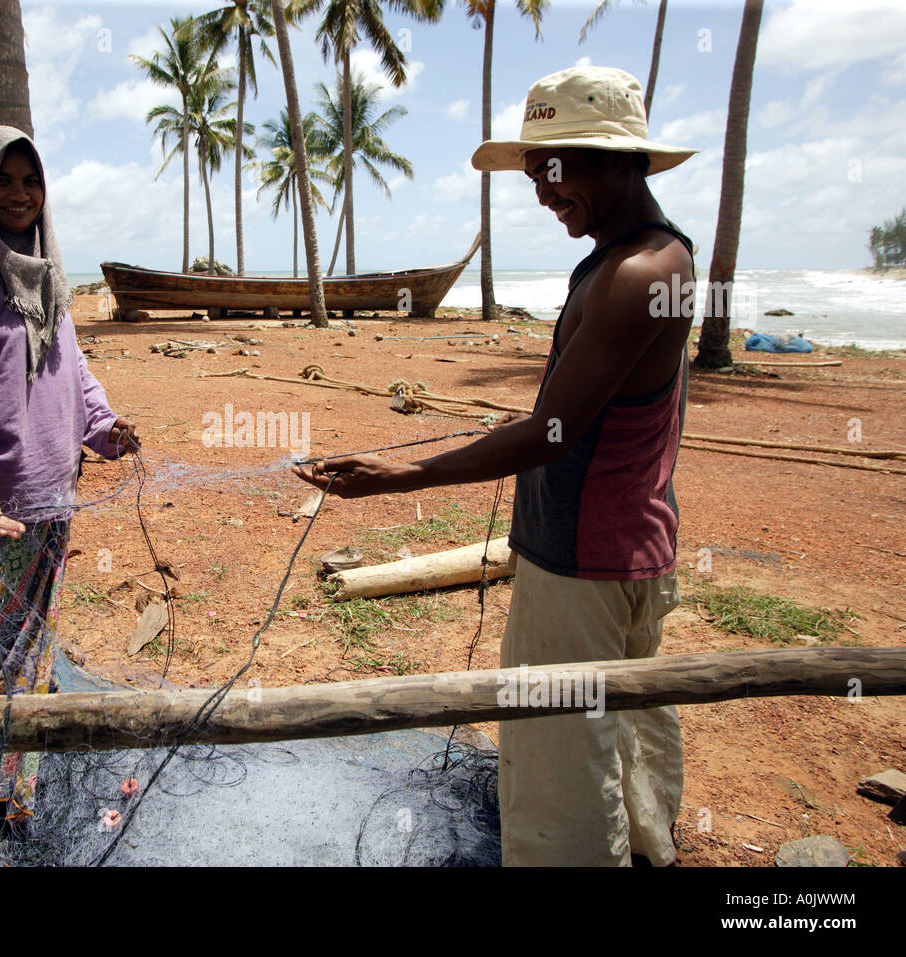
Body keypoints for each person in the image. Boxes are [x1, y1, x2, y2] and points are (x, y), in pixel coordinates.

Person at [293, 66, 698, 866]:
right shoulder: (645, 257)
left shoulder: (636, 274)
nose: (544, 193)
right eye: (534, 173)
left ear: (620, 159)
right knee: (621, 727)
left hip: (582, 566)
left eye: (556, 168)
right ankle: (651, 851)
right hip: (628, 546)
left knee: (559, 763)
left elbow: (551, 433)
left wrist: (399, 475)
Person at [0, 126, 138, 861]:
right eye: (2, 181)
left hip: (51, 495)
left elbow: (71, 367)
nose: (18, 194)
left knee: (30, 649)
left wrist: (104, 426)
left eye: (29, 180)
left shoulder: (43, 271)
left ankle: (15, 775)